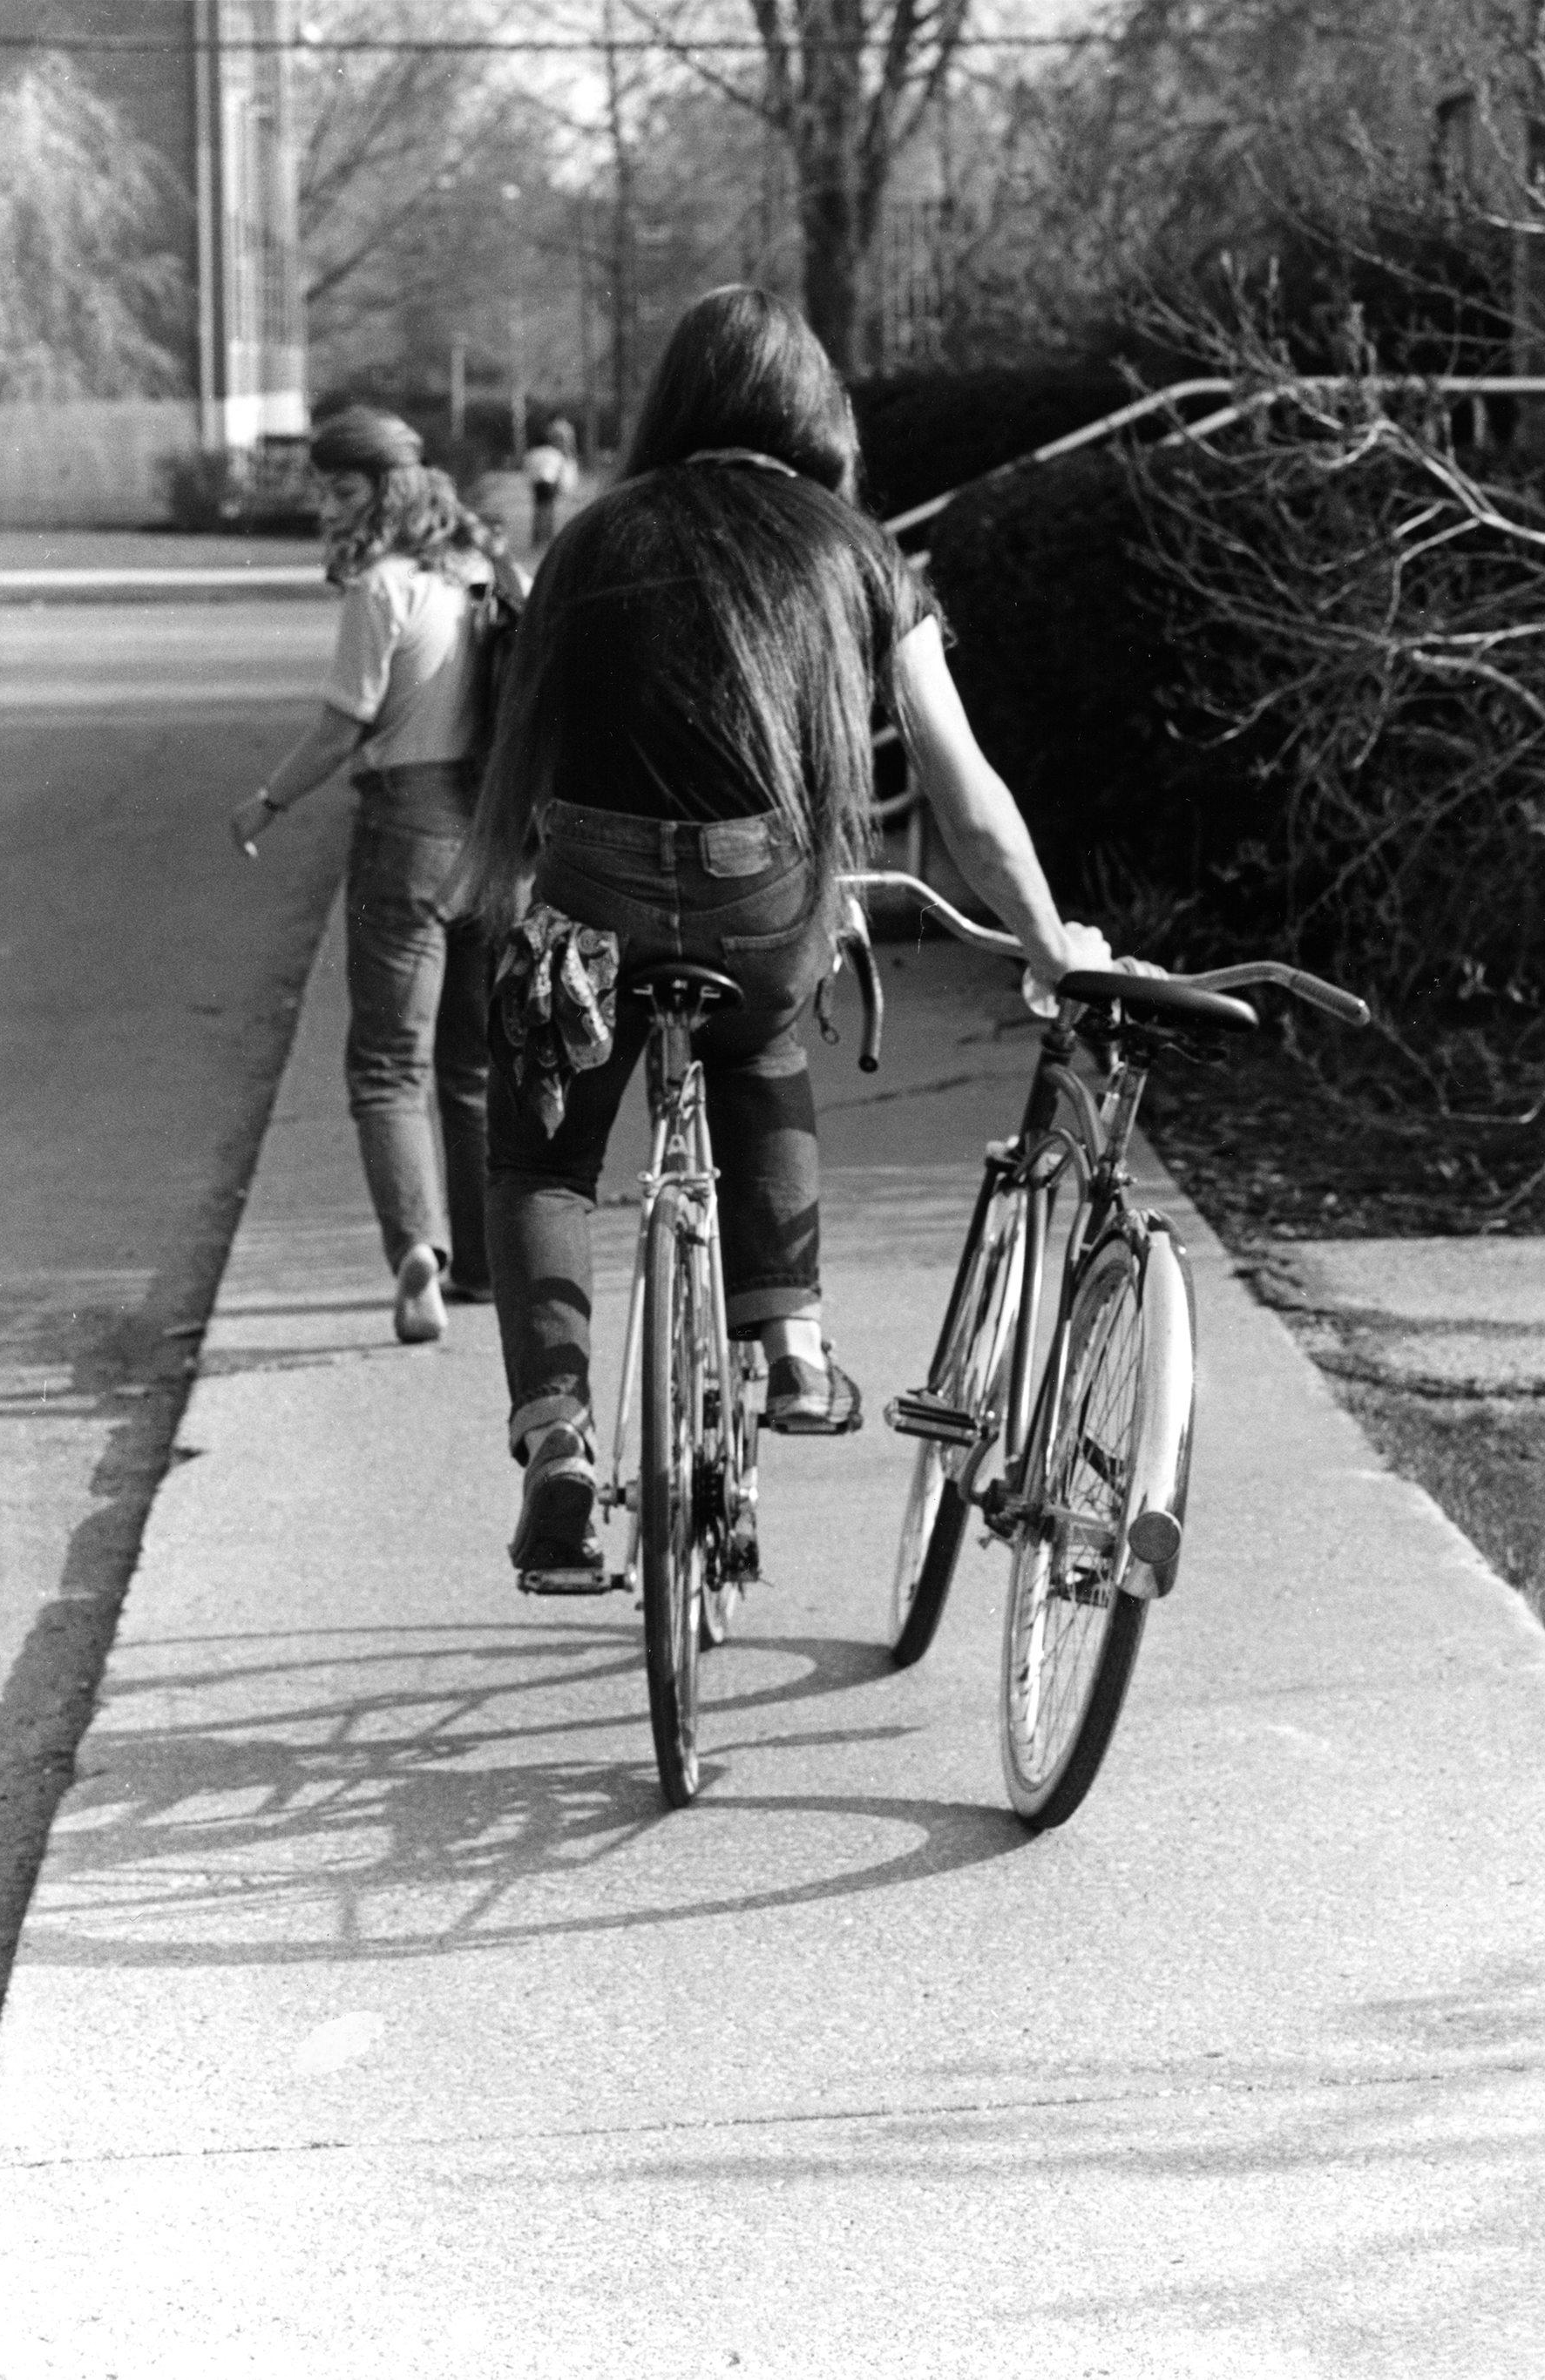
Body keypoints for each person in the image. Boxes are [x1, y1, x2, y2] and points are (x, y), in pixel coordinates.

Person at [457, 287, 1113, 1578]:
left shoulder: (589, 541)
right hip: (760, 900)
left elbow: (521, 773)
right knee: (759, 1051)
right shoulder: (857, 553)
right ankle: (796, 1347)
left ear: (677, 399)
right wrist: (1050, 947)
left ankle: (558, 1441)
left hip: (592, 891)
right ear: (812, 408)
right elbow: (967, 797)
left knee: (541, 1160)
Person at [230, 405, 519, 1345]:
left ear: (388, 487)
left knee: (391, 1063)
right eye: (321, 490)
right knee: (474, 1065)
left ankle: (416, 1251)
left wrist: (267, 801)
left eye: (341, 489)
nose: (326, 508)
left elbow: (341, 728)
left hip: (406, 828)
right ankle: (482, 1264)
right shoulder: (482, 571)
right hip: (494, 832)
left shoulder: (381, 589)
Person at [523, 416, 579, 549]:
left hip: (537, 483)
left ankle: (536, 538)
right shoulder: (554, 453)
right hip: (549, 483)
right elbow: (560, 471)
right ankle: (548, 537)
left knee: (538, 510)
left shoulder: (532, 453)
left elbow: (527, 468)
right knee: (549, 510)